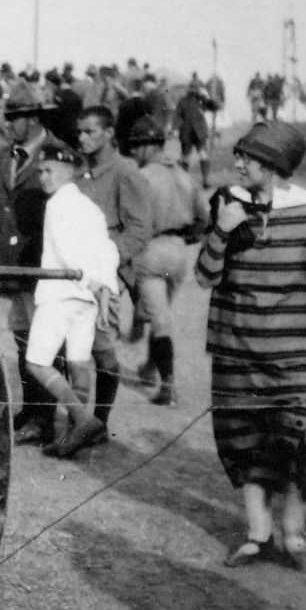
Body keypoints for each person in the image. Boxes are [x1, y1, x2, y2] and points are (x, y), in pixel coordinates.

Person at [196, 122, 306, 569]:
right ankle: (258, 534)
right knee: (244, 440)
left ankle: (293, 530)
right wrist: (222, 232)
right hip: (237, 348)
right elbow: (204, 276)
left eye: (248, 157)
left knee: (293, 439)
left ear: (273, 165)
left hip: (295, 351)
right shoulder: (227, 205)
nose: (239, 163)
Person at [26, 141, 121, 457]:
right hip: (86, 298)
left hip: (60, 292)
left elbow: (68, 251)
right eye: (40, 171)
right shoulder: (89, 205)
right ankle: (72, 438)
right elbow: (108, 250)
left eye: (49, 170)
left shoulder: (57, 205)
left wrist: (84, 276)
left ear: (68, 171)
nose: (43, 177)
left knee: (37, 362)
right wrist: (103, 286)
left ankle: (81, 418)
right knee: (78, 362)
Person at [74, 104, 152, 443]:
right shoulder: (80, 173)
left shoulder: (125, 172)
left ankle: (100, 422)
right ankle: (79, 417)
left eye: (90, 131)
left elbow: (139, 230)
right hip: (75, 272)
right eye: (79, 132)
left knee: (101, 346)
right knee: (72, 343)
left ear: (109, 133)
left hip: (108, 274)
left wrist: (105, 261)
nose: (82, 138)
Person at [126, 115, 210, 406]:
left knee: (159, 319)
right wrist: (188, 237)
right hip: (178, 252)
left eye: (137, 147)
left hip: (150, 250)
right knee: (160, 313)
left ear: (149, 147)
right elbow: (204, 217)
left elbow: (130, 222)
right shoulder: (185, 175)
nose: (135, 153)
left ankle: (168, 388)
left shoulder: (142, 177)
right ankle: (150, 368)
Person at [0, 91, 56, 444]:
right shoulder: (5, 156)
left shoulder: (57, 155)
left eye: (14, 117)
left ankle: (45, 417)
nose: (8, 123)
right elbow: (0, 211)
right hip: (13, 264)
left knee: (43, 342)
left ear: (32, 118)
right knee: (20, 337)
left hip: (40, 263)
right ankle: (29, 410)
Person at [176, 76, 216, 185]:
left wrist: (209, 97)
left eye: (196, 88)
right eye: (192, 88)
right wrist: (175, 128)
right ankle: (183, 182)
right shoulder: (183, 101)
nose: (194, 91)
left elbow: (214, 107)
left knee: (204, 156)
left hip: (200, 133)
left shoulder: (202, 99)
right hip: (187, 133)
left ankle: (205, 180)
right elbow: (177, 116)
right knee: (185, 159)